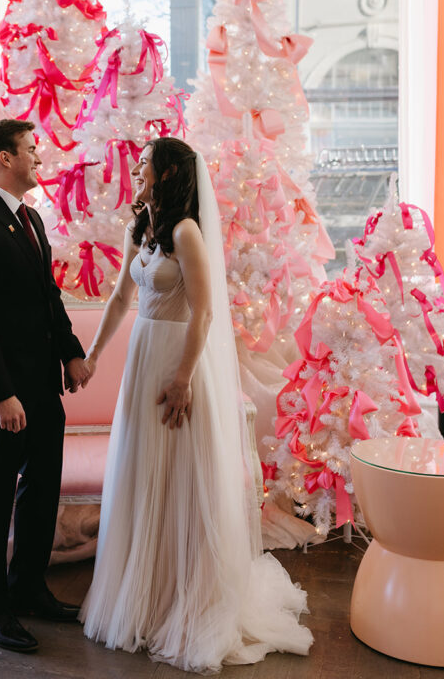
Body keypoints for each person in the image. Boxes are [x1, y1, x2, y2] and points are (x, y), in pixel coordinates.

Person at [80, 137, 313, 672]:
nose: (136, 168)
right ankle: (145, 594)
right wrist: (91, 357)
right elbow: (120, 298)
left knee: (182, 476)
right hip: (143, 358)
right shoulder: (139, 229)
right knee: (143, 470)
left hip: (178, 362)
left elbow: (204, 313)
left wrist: (183, 378)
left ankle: (186, 597)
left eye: (145, 163)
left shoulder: (186, 231)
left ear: (167, 174)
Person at [0, 119, 89, 654]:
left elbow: (48, 294)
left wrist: (71, 352)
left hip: (42, 384)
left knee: (42, 488)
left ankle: (28, 587)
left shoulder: (30, 218)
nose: (39, 158)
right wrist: (1, 394)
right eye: (31, 149)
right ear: (6, 158)